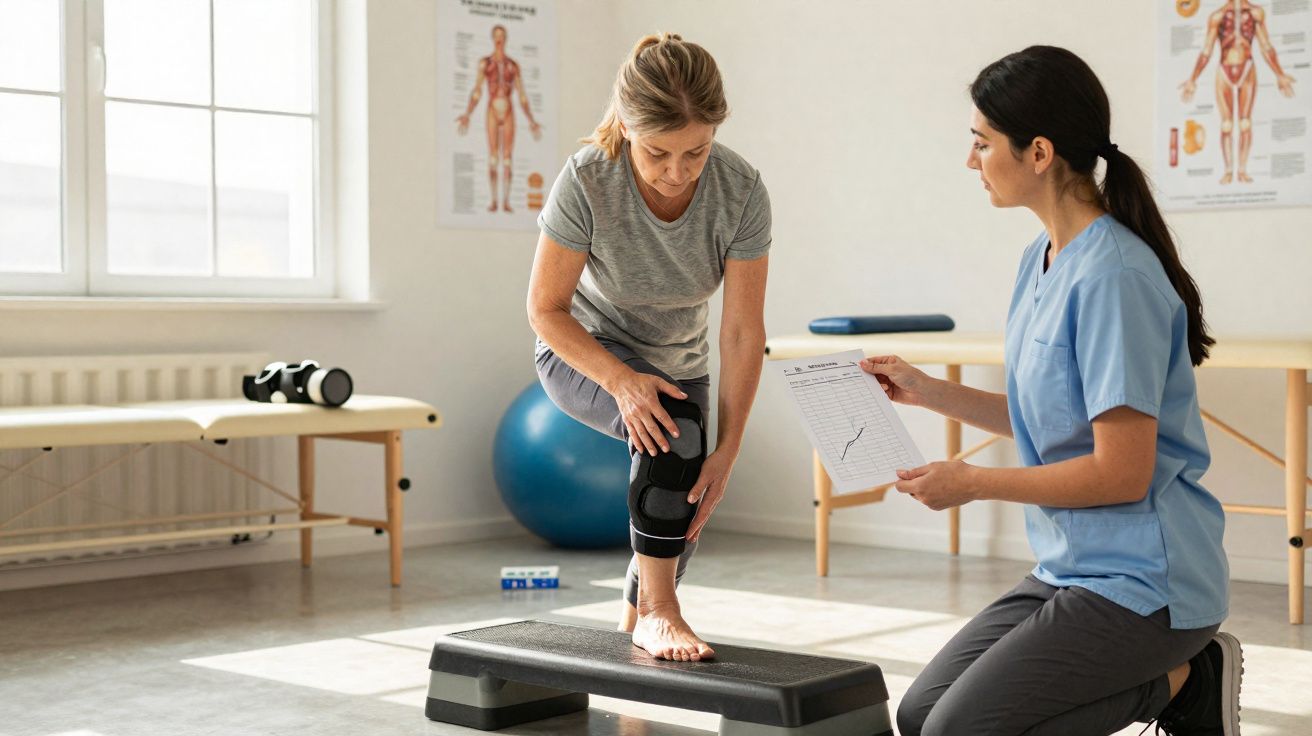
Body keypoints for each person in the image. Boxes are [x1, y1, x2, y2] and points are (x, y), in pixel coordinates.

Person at [873, 46, 1240, 735]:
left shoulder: (1114, 278)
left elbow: (1121, 472)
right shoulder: (1041, 258)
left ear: (1038, 152)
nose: (970, 161)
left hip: (1147, 583)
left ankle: (1182, 682)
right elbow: (1055, 419)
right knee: (921, 714)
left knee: (962, 731)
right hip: (1072, 566)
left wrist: (974, 481)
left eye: (980, 143)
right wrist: (927, 391)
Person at [526, 33, 771, 662]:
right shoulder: (587, 179)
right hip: (584, 350)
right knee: (673, 436)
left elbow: (742, 331)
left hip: (679, 363)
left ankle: (635, 622)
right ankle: (662, 613)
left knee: (682, 515)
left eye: (696, 152)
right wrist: (619, 379)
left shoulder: (740, 191)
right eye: (657, 152)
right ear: (628, 126)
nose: (676, 172)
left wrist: (731, 448)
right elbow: (545, 311)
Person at [1179, 0, 1296, 184]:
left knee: (1245, 123)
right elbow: (1207, 50)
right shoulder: (1217, 16)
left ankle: (1241, 170)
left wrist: (1280, 74)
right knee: (1226, 124)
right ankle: (1228, 170)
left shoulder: (1256, 13)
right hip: (1224, 71)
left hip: (1247, 68)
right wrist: (1193, 79)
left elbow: (1266, 46)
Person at [456, 24, 543, 212]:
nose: (499, 39)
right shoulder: (485, 63)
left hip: (509, 110)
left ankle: (506, 201)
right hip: (493, 110)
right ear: (492, 38)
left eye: (502, 36)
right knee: (494, 157)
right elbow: (478, 91)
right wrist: (467, 114)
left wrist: (531, 120)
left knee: (507, 158)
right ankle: (494, 200)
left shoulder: (513, 65)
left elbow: (521, 95)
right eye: (496, 36)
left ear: (505, 39)